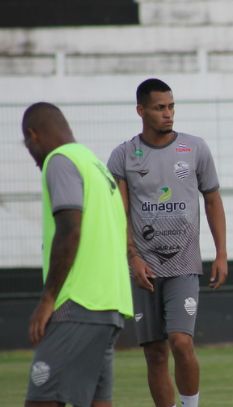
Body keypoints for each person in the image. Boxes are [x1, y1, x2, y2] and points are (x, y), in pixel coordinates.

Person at [107, 78, 228, 407]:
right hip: (144, 268)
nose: (168, 114)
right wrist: (132, 258)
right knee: (155, 354)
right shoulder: (123, 156)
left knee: (180, 342)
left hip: (184, 264)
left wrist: (221, 253)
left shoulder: (195, 149)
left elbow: (213, 200)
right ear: (141, 110)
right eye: (160, 108)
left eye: (171, 106)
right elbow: (119, 214)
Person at [22, 102, 133, 407]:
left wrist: (47, 299)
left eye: (27, 144)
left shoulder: (60, 161)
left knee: (42, 397)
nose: (31, 156)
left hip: (78, 304)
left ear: (33, 136)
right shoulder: (95, 165)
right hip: (110, 304)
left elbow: (70, 230)